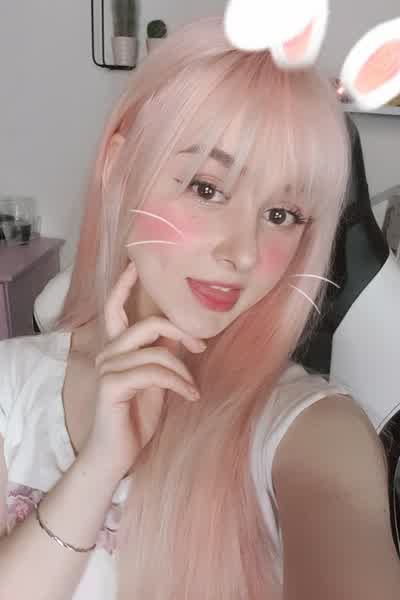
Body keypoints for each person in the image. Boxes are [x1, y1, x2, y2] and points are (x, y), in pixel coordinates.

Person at [0, 14, 399, 600]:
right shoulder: (11, 383)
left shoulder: (312, 429)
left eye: (281, 214)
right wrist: (98, 469)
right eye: (207, 189)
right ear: (119, 168)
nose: (243, 253)